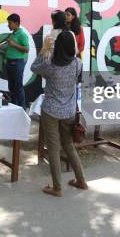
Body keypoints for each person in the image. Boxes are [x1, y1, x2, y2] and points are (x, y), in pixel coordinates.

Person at [31, 31, 86, 197]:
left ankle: (57, 187)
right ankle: (81, 180)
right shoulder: (78, 63)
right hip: (69, 111)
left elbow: (34, 67)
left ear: (58, 46)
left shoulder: (50, 65)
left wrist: (44, 49)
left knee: (54, 148)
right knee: (68, 145)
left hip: (50, 111)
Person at [0, 14, 29, 108]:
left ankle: (22, 108)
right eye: (8, 23)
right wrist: (0, 47)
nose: (8, 25)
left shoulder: (22, 35)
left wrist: (14, 44)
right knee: (11, 87)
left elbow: (26, 49)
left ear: (17, 23)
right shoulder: (11, 35)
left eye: (10, 23)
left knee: (18, 87)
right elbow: (9, 49)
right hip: (9, 63)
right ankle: (14, 106)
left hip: (17, 63)